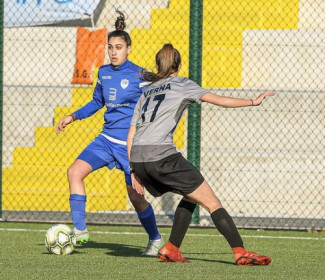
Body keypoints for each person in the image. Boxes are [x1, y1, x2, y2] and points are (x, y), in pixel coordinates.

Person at [127, 43, 275, 265]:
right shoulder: (183, 84)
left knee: (191, 194)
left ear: (158, 66)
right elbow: (220, 100)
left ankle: (171, 249)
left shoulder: (146, 91)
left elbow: (131, 133)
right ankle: (240, 251)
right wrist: (253, 102)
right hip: (162, 157)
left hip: (138, 159)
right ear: (179, 64)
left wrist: (132, 169)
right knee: (212, 202)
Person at [56, 10, 163, 256]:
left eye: (118, 47)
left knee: (136, 198)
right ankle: (80, 231)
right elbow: (96, 103)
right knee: (74, 172)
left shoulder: (140, 75)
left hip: (129, 146)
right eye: (110, 47)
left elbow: (161, 96)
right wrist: (72, 116)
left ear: (129, 49)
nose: (113, 52)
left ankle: (155, 238)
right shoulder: (103, 73)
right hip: (105, 140)